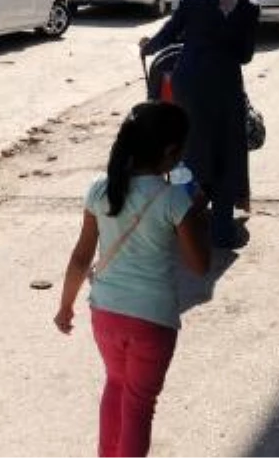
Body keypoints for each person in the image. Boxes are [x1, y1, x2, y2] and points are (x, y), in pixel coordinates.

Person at [55, 101, 211, 458]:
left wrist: (65, 306)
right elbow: (199, 264)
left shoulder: (99, 189)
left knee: (116, 385)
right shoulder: (174, 199)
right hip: (152, 323)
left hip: (105, 315)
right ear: (171, 152)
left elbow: (81, 257)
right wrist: (197, 213)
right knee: (139, 405)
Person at [139, 0, 259, 248]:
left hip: (189, 88)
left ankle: (183, 225)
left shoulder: (193, 1)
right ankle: (221, 231)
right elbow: (245, 56)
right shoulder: (249, 7)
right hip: (225, 90)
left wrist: (147, 47)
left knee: (189, 153)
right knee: (225, 154)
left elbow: (167, 34)